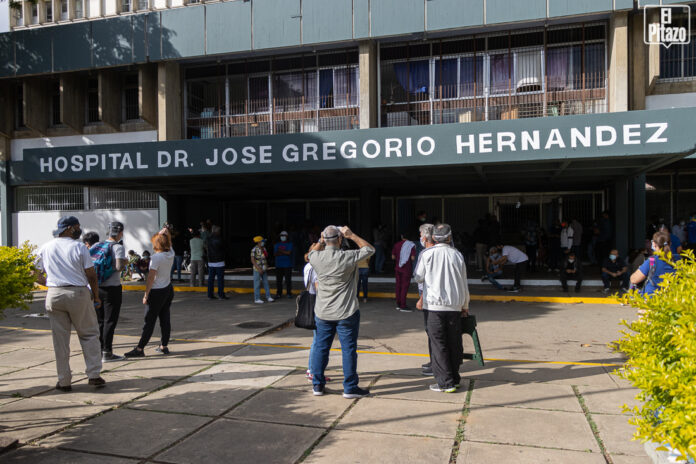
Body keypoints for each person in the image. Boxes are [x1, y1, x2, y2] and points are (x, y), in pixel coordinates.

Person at [34, 216, 106, 391]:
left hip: (54, 294)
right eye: (77, 227)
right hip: (78, 293)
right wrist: (96, 296)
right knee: (89, 334)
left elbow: (34, 273)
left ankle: (64, 380)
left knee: (60, 340)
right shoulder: (79, 247)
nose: (79, 229)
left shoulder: (46, 246)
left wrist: (50, 283)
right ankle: (94, 375)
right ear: (69, 229)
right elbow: (91, 275)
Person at [308, 225, 374, 398]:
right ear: (340, 240)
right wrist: (352, 235)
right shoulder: (348, 257)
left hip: (323, 312)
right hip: (346, 311)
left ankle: (317, 385)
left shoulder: (316, 257)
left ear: (324, 239)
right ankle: (350, 387)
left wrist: (321, 240)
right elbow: (369, 249)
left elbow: (311, 253)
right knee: (348, 350)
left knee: (321, 348)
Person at [413, 224, 469, 393]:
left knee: (438, 344)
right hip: (455, 306)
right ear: (450, 238)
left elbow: (418, 277)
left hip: (434, 307)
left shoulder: (427, 254)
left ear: (434, 238)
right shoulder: (457, 255)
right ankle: (455, 378)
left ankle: (445, 383)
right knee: (454, 342)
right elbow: (464, 283)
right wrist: (465, 306)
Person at [125, 227, 175, 357]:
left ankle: (140, 348)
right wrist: (166, 234)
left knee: (149, 321)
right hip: (168, 289)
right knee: (165, 318)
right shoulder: (171, 253)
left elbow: (151, 278)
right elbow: (169, 244)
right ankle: (164, 345)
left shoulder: (156, 258)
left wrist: (146, 294)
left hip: (156, 291)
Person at [95, 221, 128, 362]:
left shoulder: (97, 245)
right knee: (110, 321)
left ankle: (98, 350)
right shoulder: (118, 247)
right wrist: (126, 261)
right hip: (112, 288)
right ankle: (107, 352)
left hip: (97, 287)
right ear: (120, 233)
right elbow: (119, 267)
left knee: (100, 321)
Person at [630, 232, 678, 296]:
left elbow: (634, 280)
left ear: (653, 244)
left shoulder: (652, 260)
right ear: (670, 244)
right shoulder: (677, 259)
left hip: (651, 298)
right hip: (671, 298)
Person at [416, 223, 435, 377]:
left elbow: (421, 278)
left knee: (432, 332)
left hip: (430, 298)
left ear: (425, 236)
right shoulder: (451, 251)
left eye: (420, 234)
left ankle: (436, 364)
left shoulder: (425, 253)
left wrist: (421, 298)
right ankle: (435, 361)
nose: (420, 237)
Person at [391, 232, 416, 312]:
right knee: (404, 287)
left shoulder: (396, 245)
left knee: (398, 286)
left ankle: (398, 304)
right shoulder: (411, 245)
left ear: (402, 236)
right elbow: (412, 258)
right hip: (406, 269)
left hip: (398, 268)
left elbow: (393, 257)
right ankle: (403, 305)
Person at [206, 225, 228, 300]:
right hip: (219, 261)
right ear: (217, 231)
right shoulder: (220, 239)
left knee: (210, 279)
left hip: (211, 261)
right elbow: (224, 248)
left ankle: (210, 294)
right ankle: (221, 295)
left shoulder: (208, 238)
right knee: (220, 279)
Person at [251, 236, 274, 304]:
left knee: (266, 283)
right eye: (262, 241)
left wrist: (266, 266)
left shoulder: (264, 248)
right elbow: (252, 260)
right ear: (258, 242)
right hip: (257, 269)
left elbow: (265, 258)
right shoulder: (254, 249)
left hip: (264, 269)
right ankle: (257, 298)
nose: (263, 242)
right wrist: (258, 269)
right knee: (257, 284)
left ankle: (268, 297)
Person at [274, 231, 294, 299]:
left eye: (284, 235)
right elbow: (275, 254)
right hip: (278, 265)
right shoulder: (276, 244)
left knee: (288, 280)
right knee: (279, 280)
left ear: (287, 236)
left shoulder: (290, 244)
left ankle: (289, 293)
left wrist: (280, 251)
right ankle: (279, 293)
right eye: (281, 235)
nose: (282, 237)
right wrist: (284, 252)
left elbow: (288, 253)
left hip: (287, 265)